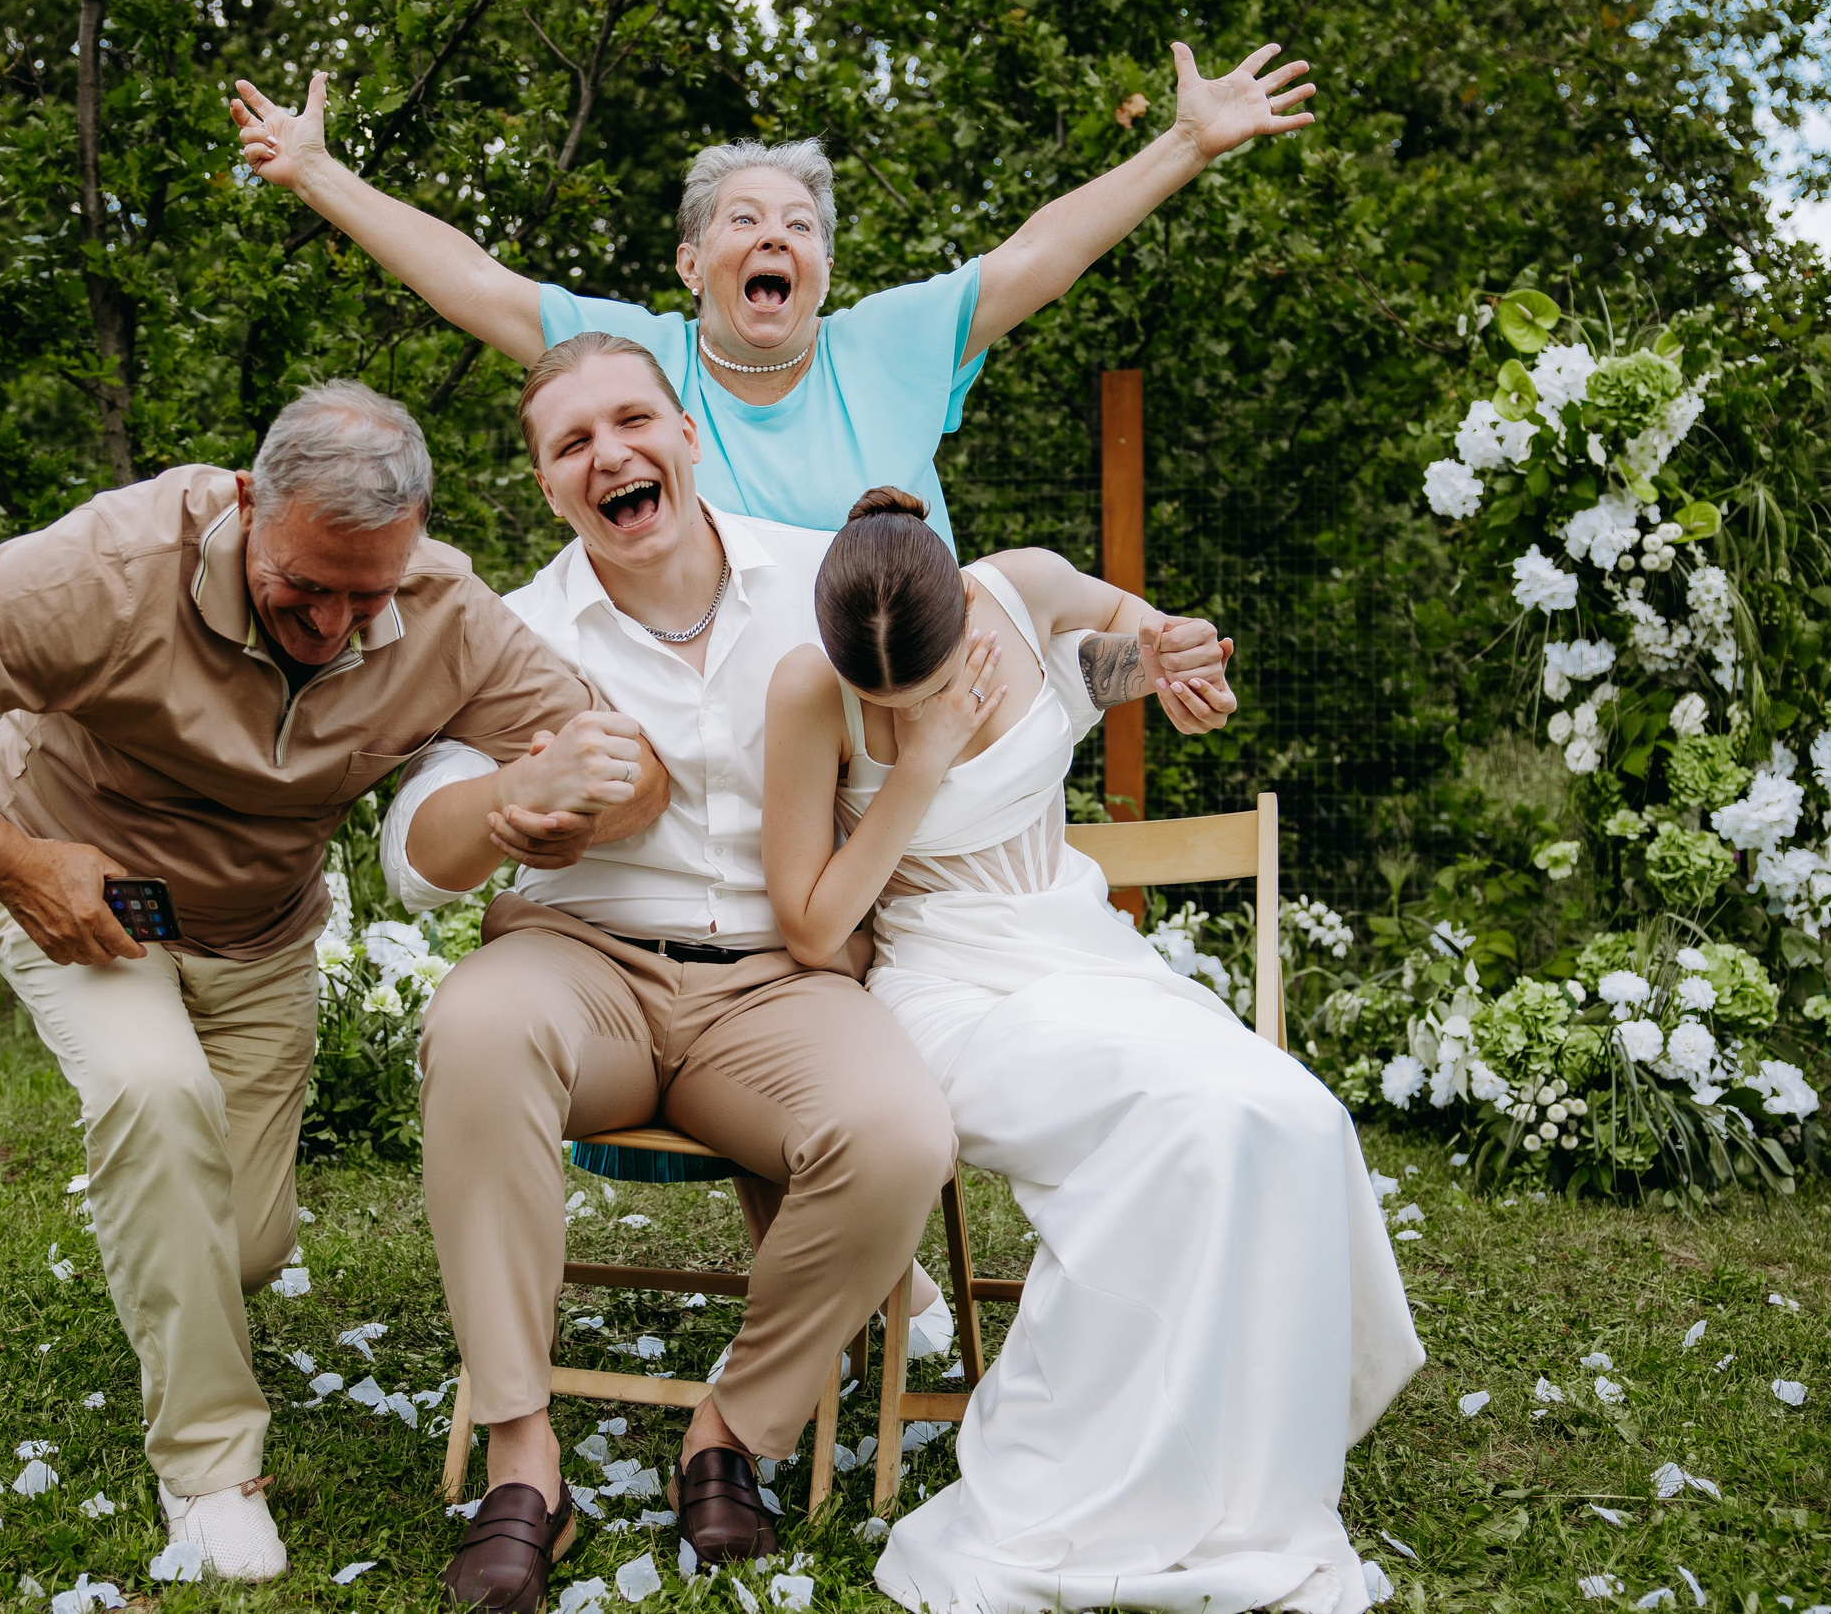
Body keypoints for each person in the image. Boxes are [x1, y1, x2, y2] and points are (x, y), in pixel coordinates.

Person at [377, 336, 1237, 1614]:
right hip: (582, 964)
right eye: (571, 444)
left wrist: (1145, 660)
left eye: (631, 422)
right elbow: (411, 851)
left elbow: (1008, 679)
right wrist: (509, 796)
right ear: (549, 486)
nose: (608, 454)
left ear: (682, 433)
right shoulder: (513, 632)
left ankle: (733, 1428)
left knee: (897, 1133)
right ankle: (522, 1459)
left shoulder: (821, 582)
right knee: (478, 1029)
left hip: (787, 983)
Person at [0, 379, 665, 1583]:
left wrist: (570, 814)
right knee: (151, 1094)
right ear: (250, 504)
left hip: (262, 933)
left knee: (241, 1243)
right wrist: (10, 864)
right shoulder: (107, 568)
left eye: (368, 594)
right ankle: (210, 1473)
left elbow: (633, 770)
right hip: (72, 892)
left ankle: (165, 1215)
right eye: (307, 588)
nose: (336, 623)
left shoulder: (444, 608)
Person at [760, 489, 1425, 1614]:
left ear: (962, 615)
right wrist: (914, 767)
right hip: (947, 986)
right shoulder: (806, 692)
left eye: (918, 690)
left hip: (1081, 949)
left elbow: (1143, 651)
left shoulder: (1024, 591)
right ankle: (1084, 1474)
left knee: (1295, 1112)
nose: (901, 710)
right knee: (1179, 1127)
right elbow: (815, 928)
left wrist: (1179, 672)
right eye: (881, 700)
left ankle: (1239, 1447)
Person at [228, 43, 1316, 546]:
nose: (774, 238)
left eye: (800, 227)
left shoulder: (886, 342)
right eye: (743, 220)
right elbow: (470, 278)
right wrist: (318, 173)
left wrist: (1182, 146)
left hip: (908, 698)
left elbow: (1041, 255)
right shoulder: (630, 364)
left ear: (825, 272)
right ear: (691, 263)